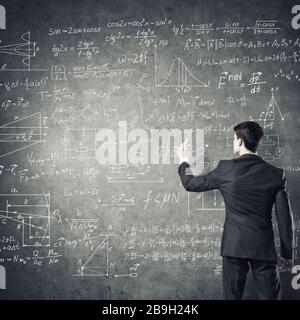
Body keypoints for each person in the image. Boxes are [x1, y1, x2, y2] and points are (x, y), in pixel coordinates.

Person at [177, 121, 294, 300]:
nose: (233, 142)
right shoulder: (275, 174)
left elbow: (190, 184)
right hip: (263, 249)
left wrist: (184, 160)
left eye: (233, 139)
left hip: (233, 247)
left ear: (240, 141)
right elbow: (284, 219)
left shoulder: (226, 169)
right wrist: (287, 255)